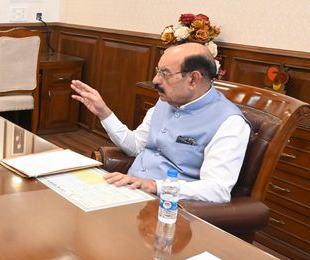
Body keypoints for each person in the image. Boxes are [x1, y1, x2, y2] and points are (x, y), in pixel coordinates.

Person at [70, 42, 250, 203]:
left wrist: (154, 186)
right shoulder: (166, 101)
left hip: (170, 207)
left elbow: (217, 190)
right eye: (158, 71)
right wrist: (104, 113)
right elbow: (136, 146)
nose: (155, 80)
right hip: (128, 192)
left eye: (165, 74)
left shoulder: (230, 122)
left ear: (193, 79)